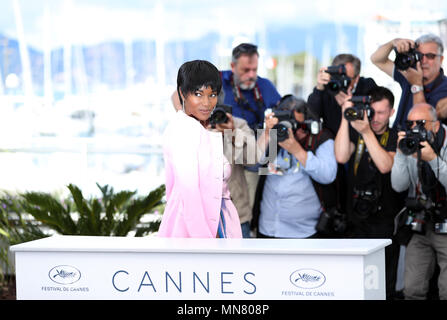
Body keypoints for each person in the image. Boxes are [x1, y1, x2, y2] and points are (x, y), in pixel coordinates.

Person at [158, 60, 242, 238]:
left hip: (215, 226)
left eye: (212, 95)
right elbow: (189, 194)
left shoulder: (197, 128)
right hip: (196, 234)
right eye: (198, 94)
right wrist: (205, 246)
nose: (206, 102)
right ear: (182, 93)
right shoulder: (184, 129)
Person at [334, 86, 403, 299]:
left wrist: (367, 133)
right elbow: (341, 157)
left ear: (391, 112)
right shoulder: (359, 132)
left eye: (381, 112)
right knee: (355, 285)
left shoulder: (395, 135)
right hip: (357, 218)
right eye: (372, 111)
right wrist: (346, 117)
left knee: (383, 285)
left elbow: (385, 165)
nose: (375, 118)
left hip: (384, 223)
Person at [252, 95, 338, 238]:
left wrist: (297, 150)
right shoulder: (272, 136)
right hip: (268, 228)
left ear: (306, 121)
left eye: (296, 124)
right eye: (286, 123)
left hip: (303, 232)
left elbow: (327, 176)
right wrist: (267, 134)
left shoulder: (320, 138)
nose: (291, 130)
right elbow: (252, 164)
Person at [391, 103, 447, 300]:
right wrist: (400, 153)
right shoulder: (410, 142)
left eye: (421, 123)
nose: (415, 128)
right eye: (410, 123)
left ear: (436, 126)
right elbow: (398, 186)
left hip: (446, 221)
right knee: (412, 288)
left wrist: (432, 158)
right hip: (421, 221)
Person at [371, 33, 447, 129]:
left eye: (430, 56)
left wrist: (416, 85)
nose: (424, 61)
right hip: (397, 139)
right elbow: (377, 60)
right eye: (419, 55)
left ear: (441, 59)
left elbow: (423, 125)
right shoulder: (409, 73)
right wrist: (393, 42)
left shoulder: (444, 88)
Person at [308, 53, 378, 137]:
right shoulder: (326, 89)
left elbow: (378, 112)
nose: (341, 81)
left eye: (346, 78)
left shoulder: (367, 86)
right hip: (332, 143)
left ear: (356, 79)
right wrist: (319, 88)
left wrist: (351, 103)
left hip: (361, 141)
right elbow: (312, 115)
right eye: (337, 77)